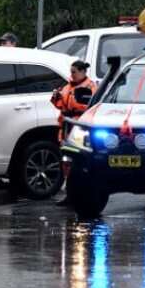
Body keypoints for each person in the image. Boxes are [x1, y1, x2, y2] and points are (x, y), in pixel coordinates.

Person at [52, 60, 96, 205]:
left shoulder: (90, 87)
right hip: (66, 127)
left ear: (83, 72)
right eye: (71, 72)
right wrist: (56, 97)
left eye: (74, 72)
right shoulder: (68, 86)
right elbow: (61, 105)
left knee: (78, 161)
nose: (71, 75)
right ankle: (69, 193)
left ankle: (81, 192)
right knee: (66, 161)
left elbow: (90, 106)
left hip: (79, 127)